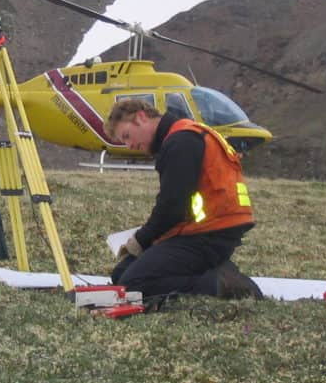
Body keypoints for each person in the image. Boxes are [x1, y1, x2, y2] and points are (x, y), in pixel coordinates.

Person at [104, 98, 263, 301]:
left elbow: (172, 207)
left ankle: (220, 283)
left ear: (141, 117)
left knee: (133, 284)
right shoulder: (185, 136)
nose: (130, 146)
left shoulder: (181, 142)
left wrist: (140, 241)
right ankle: (213, 270)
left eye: (127, 136)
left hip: (208, 236)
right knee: (120, 275)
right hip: (200, 232)